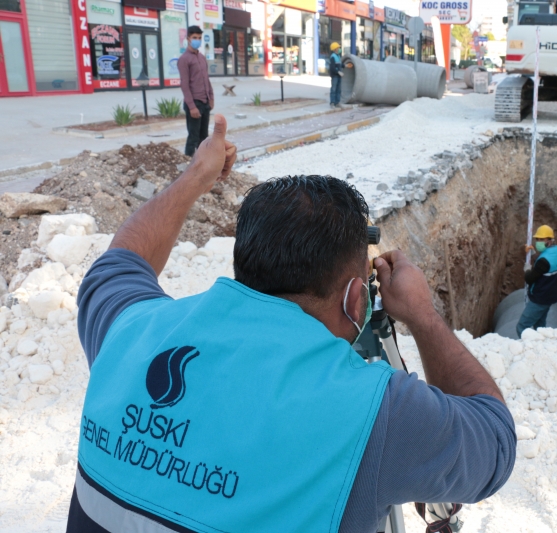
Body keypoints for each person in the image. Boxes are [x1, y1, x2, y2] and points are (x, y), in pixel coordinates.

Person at [67, 114, 516, 533]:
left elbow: (122, 260)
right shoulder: (372, 413)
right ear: (355, 299)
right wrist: (422, 315)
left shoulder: (130, 331)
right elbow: (494, 441)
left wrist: (197, 176)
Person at [516, 225, 557, 337]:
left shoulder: (544, 261)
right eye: (537, 239)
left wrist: (527, 269)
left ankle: (529, 346)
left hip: (540, 299)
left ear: (549, 240)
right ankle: (541, 345)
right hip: (550, 296)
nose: (538, 242)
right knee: (540, 327)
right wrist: (533, 254)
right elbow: (544, 266)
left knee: (522, 327)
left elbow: (530, 278)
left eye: (541, 239)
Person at [177, 25, 214, 157]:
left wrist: (211, 98)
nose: (197, 40)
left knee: (204, 137)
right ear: (188, 38)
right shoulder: (184, 59)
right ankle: (188, 162)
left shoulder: (202, 58)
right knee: (193, 137)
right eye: (194, 38)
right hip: (194, 103)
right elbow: (184, 85)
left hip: (205, 102)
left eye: (199, 38)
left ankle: (204, 162)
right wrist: (192, 107)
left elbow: (206, 79)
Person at [329, 42, 344, 108]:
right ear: (335, 49)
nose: (339, 49)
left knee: (338, 90)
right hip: (335, 76)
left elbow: (340, 65)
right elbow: (332, 68)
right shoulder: (333, 57)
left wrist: (345, 65)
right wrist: (338, 72)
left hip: (339, 76)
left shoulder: (338, 56)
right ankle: (332, 103)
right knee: (334, 89)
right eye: (338, 48)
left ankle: (337, 102)